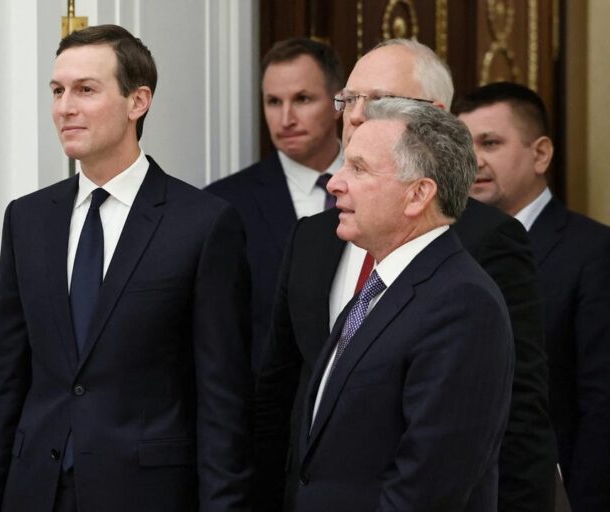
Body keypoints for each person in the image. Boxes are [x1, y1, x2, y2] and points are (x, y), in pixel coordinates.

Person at [257, 39, 557, 511]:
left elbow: (499, 430)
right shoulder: (324, 244)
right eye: (348, 100)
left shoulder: (469, 281)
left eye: (379, 102)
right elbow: (282, 394)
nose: (356, 116)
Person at [0, 24, 253, 511]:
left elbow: (222, 402)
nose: (64, 107)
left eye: (85, 90)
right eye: (57, 91)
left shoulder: (203, 224)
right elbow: (6, 384)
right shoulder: (26, 220)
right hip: (35, 491)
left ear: (137, 101)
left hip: (146, 495)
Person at [292, 97, 513, 511]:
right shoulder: (380, 287)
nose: (335, 183)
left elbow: (427, 488)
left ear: (418, 195)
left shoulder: (462, 304)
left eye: (358, 168)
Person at [455, 81, 610, 512]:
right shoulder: (447, 249)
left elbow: (601, 400)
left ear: (540, 154)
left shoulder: (593, 251)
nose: (473, 160)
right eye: (464, 146)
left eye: (490, 143)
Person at [205, 38, 344, 367]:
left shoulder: (382, 186)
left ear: (339, 103)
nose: (286, 118)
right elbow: (218, 336)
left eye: (302, 99)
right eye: (273, 102)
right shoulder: (223, 204)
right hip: (270, 394)